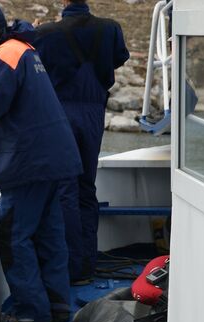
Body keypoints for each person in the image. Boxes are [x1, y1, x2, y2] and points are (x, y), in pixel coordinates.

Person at [0, 3, 83, 322]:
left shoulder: (5, 55)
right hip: (53, 156)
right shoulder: (25, 49)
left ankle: (31, 310)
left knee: (13, 234)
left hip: (29, 159)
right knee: (49, 233)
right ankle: (58, 304)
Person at [33, 0, 130, 283]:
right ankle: (88, 263)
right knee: (87, 186)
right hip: (93, 114)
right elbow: (119, 58)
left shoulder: (47, 33)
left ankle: (71, 268)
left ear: (63, 1)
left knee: (65, 189)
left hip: (62, 114)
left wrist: (39, 30)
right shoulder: (110, 29)